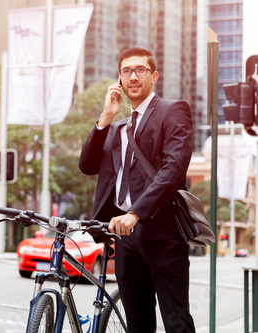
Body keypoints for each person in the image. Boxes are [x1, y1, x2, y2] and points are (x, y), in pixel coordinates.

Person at [79, 46, 195, 333]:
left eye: (140, 70)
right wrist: (105, 117)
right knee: (137, 325)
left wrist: (135, 213)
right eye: (126, 71)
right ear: (119, 79)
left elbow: (173, 169)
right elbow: (87, 165)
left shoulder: (173, 110)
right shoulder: (117, 128)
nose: (133, 76)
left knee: (176, 322)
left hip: (163, 235)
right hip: (126, 239)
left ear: (153, 75)